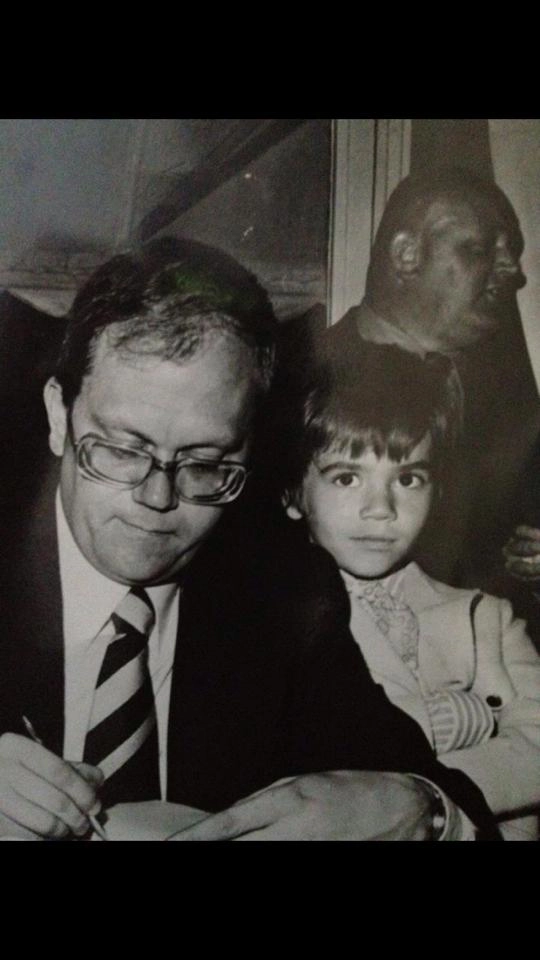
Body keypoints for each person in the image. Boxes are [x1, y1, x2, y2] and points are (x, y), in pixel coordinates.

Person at [0, 236, 499, 841]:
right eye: (121, 450)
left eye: (205, 463)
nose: (158, 499)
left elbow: (430, 790)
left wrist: (423, 809)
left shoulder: (282, 587)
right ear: (60, 417)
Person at [276, 339, 540, 840]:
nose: (382, 508)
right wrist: (454, 724)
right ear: (292, 493)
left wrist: (427, 785)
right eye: (347, 478)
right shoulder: (276, 622)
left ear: (437, 490)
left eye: (409, 479)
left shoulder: (484, 617)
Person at [283, 166, 537, 591]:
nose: (513, 269)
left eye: (510, 250)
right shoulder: (295, 381)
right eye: (480, 250)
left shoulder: (515, 400)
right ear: (406, 255)